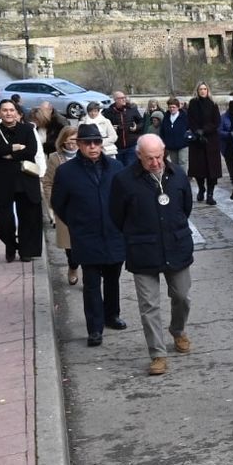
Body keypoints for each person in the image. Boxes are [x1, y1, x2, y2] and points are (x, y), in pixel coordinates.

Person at [109, 134, 194, 376]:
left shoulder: (177, 174)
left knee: (182, 296)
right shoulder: (124, 180)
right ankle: (157, 353)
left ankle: (177, 330)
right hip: (142, 249)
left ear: (164, 152)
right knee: (149, 305)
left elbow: (185, 207)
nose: (156, 162)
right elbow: (117, 215)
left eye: (159, 157)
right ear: (138, 156)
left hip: (176, 245)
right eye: (149, 159)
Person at [54, 124, 128, 346]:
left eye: (97, 142)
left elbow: (125, 198)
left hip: (114, 233)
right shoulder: (66, 172)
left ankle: (111, 314)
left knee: (113, 277)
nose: (93, 147)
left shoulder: (116, 167)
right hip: (86, 236)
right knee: (92, 283)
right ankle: (94, 328)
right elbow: (58, 203)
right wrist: (77, 223)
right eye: (88, 143)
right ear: (79, 145)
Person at [0, 99, 45, 263]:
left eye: (11, 110)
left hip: (25, 177)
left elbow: (31, 151)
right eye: (4, 110)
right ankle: (11, 246)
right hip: (3, 179)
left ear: (17, 113)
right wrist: (14, 147)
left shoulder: (27, 129)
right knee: (4, 220)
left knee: (29, 215)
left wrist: (8, 155)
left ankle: (27, 251)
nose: (8, 113)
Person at [45, 126, 81, 285]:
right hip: (65, 209)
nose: (71, 143)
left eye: (74, 139)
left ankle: (89, 273)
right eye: (68, 139)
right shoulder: (55, 158)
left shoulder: (86, 154)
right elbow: (48, 183)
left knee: (88, 244)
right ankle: (73, 266)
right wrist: (54, 203)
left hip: (87, 208)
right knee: (70, 246)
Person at [185, 84, 222, 204]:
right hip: (197, 141)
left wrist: (204, 130)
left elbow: (216, 122)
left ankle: (210, 194)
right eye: (200, 89)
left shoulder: (213, 104)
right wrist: (197, 132)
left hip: (211, 140)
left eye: (205, 89)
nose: (203, 91)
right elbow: (190, 120)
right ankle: (201, 188)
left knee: (212, 170)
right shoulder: (193, 103)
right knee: (198, 169)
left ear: (208, 90)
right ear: (197, 91)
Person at [160, 97, 190, 170]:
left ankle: (183, 179)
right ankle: (177, 179)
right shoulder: (166, 117)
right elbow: (162, 131)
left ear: (178, 107)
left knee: (183, 162)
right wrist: (164, 142)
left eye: (174, 107)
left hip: (183, 144)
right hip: (171, 145)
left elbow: (189, 128)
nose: (172, 109)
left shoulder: (184, 116)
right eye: (170, 107)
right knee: (174, 164)